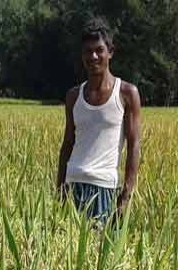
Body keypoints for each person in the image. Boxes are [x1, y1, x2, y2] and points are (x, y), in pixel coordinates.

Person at [57, 18, 142, 224]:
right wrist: (59, 187)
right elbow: (68, 143)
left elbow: (134, 146)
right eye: (87, 51)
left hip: (104, 187)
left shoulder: (127, 93)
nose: (93, 56)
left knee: (99, 249)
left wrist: (126, 195)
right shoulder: (73, 96)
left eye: (99, 50)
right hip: (73, 183)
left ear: (110, 52)